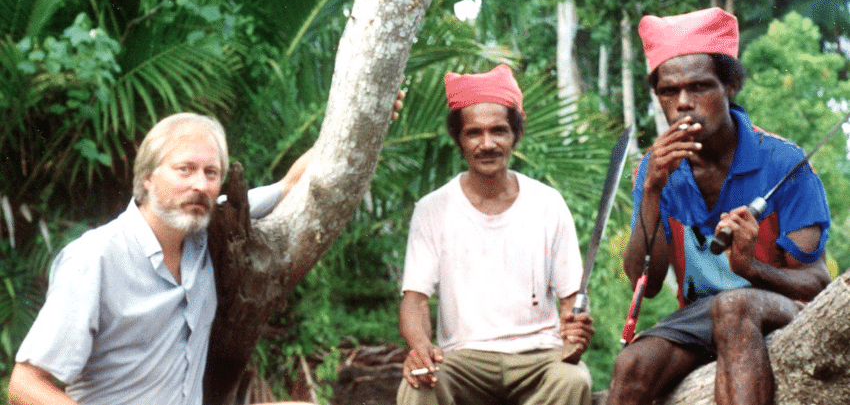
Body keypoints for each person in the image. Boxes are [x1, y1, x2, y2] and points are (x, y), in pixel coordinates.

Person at [8, 91, 404, 404]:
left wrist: (367, 120)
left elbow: (291, 185)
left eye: (211, 172)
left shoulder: (206, 230)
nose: (200, 183)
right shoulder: (94, 258)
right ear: (147, 176)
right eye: (184, 169)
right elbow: (25, 385)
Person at [606, 8, 831, 405]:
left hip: (780, 310)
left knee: (733, 307)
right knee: (632, 366)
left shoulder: (783, 161)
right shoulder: (656, 170)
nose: (684, 104)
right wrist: (653, 190)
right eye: (668, 91)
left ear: (730, 87)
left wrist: (751, 269)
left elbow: (817, 284)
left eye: (700, 87)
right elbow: (647, 279)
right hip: (703, 318)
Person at [396, 65, 595, 405]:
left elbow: (572, 296)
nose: (487, 144)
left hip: (538, 357)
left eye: (499, 131)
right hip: (462, 359)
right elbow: (414, 299)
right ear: (459, 139)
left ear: (516, 134)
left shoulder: (548, 203)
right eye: (474, 133)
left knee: (573, 379)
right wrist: (420, 348)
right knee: (417, 384)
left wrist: (576, 326)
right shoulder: (433, 208)